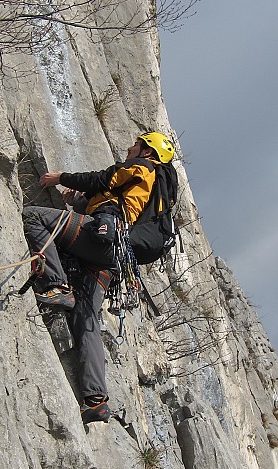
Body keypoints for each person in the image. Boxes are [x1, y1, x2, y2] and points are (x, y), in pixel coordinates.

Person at [22, 132, 175, 425]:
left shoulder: (143, 167)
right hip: (114, 256)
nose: (130, 147)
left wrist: (61, 178)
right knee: (86, 317)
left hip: (103, 237)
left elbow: (104, 179)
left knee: (34, 216)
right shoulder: (154, 190)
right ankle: (95, 400)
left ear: (147, 150)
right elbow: (109, 202)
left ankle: (56, 284)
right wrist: (79, 202)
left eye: (136, 144)